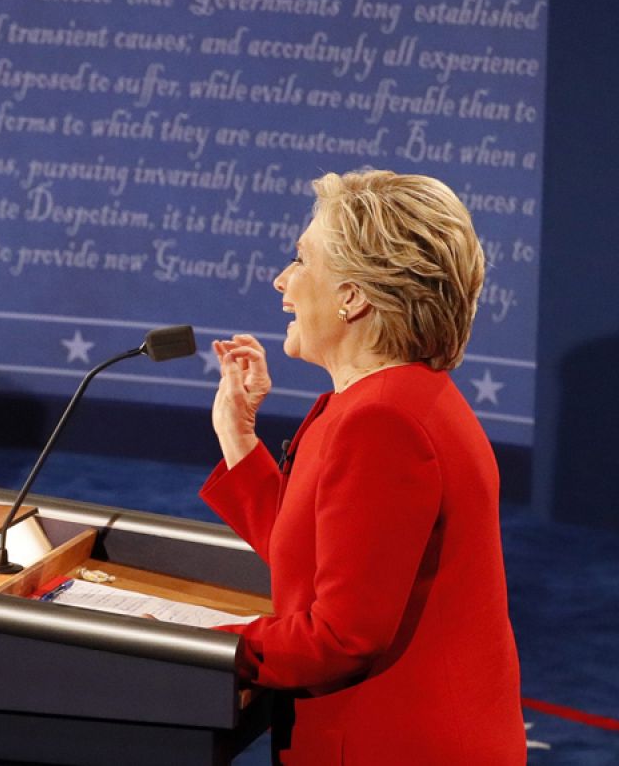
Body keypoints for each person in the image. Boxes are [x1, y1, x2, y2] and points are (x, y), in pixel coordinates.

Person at [204, 169, 525, 764]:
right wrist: (238, 435)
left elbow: (341, 635)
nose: (282, 281)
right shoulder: (391, 400)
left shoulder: (382, 424)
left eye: (301, 261)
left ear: (354, 296)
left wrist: (197, 649)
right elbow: (326, 560)